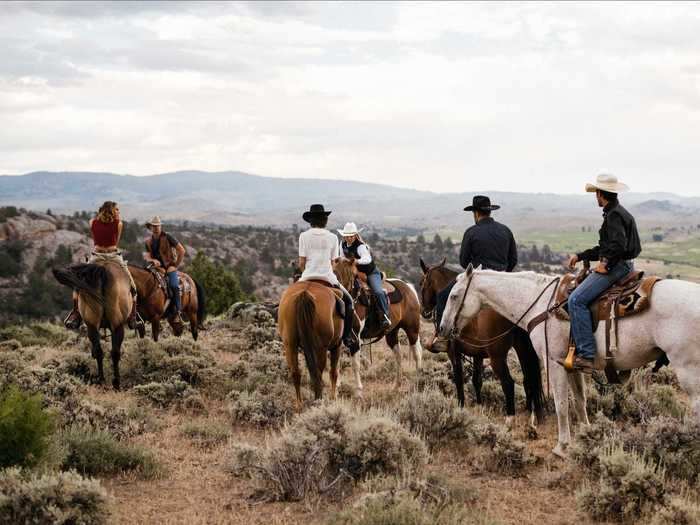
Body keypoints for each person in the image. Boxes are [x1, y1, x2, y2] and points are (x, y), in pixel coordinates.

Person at [560, 174, 641, 373]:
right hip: (624, 264)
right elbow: (605, 246)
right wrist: (580, 256)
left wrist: (605, 264)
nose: (595, 196)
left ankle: (587, 355)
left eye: (596, 193)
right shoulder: (617, 212)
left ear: (600, 194)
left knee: (576, 300)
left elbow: (617, 246)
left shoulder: (614, 215)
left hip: (617, 266)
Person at [435, 195, 518, 327]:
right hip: (503, 279)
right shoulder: (506, 230)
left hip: (478, 279)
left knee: (442, 297)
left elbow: (464, 262)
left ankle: (441, 337)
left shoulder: (471, 232)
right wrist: (502, 275)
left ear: (476, 213)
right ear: (490, 211)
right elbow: (513, 260)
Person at [64, 201, 143, 331]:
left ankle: (76, 313)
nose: (118, 212)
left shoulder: (92, 222)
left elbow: (95, 236)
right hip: (113, 256)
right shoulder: (119, 224)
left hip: (97, 256)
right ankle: (133, 315)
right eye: (116, 210)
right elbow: (116, 242)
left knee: (79, 284)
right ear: (112, 211)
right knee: (132, 285)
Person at [297, 204, 359, 353]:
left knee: (286, 300)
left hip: (306, 278)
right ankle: (347, 336)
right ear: (324, 220)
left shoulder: (303, 236)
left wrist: (306, 272)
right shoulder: (332, 237)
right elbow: (334, 263)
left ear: (310, 221)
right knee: (349, 302)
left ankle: (286, 334)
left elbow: (301, 263)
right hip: (328, 278)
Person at [338, 222, 391, 330]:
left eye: (351, 235)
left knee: (377, 291)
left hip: (369, 273)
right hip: (353, 272)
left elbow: (367, 259)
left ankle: (385, 316)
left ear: (355, 235)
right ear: (344, 236)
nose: (349, 238)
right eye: (347, 236)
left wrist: (356, 261)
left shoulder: (360, 246)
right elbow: (341, 257)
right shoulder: (342, 244)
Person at [143, 216, 187, 325]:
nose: (156, 228)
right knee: (144, 284)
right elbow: (147, 256)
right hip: (157, 268)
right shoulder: (148, 241)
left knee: (174, 286)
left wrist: (175, 265)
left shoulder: (168, 237)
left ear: (161, 226)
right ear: (150, 228)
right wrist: (153, 260)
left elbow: (181, 250)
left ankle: (178, 312)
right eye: (154, 226)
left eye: (158, 226)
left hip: (169, 267)